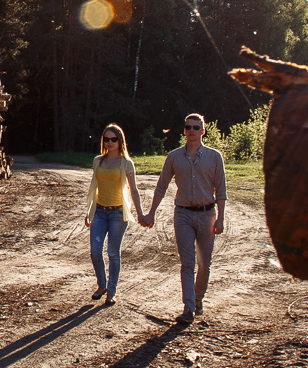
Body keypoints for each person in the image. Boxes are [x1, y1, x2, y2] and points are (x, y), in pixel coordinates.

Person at [140, 112, 227, 323]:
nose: (192, 131)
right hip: (183, 215)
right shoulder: (174, 157)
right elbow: (161, 187)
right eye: (188, 127)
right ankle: (188, 308)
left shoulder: (215, 157)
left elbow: (221, 190)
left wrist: (221, 218)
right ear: (184, 130)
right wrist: (151, 212)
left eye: (196, 127)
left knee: (204, 264)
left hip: (207, 215)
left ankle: (198, 299)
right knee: (187, 263)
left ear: (203, 131)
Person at [79, 123, 142, 305]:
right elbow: (94, 188)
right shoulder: (98, 160)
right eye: (106, 139)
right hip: (99, 211)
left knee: (113, 253)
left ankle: (111, 291)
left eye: (113, 139)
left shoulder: (126, 163)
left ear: (120, 141)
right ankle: (102, 284)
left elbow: (134, 190)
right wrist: (90, 211)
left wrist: (140, 213)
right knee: (95, 251)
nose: (109, 142)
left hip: (118, 213)